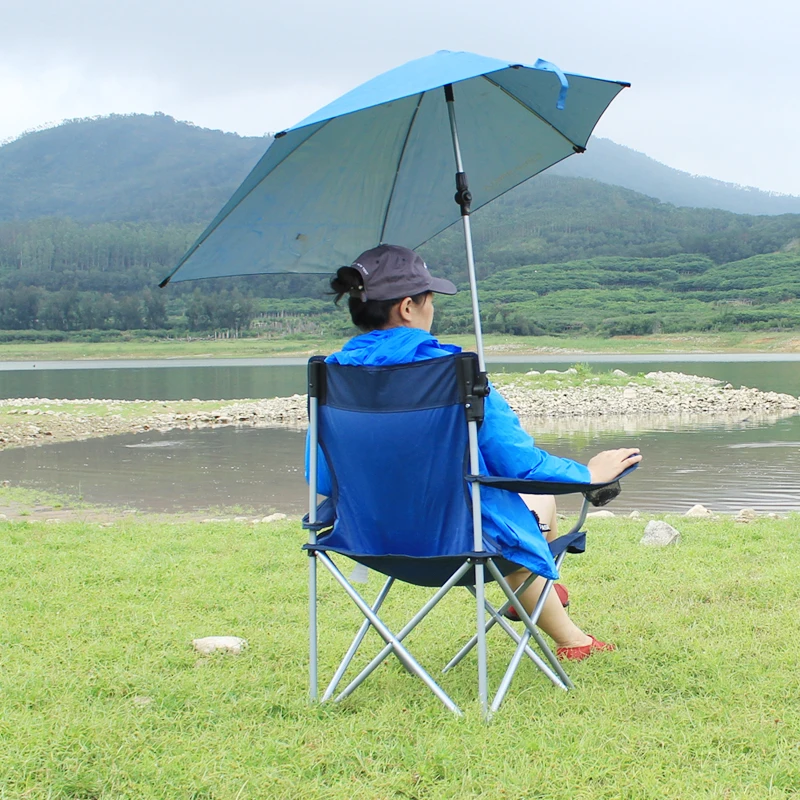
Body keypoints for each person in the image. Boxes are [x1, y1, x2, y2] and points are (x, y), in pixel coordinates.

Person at [309, 244, 642, 661]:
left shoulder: (333, 376)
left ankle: (541, 598)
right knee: (536, 503)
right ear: (408, 307)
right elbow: (521, 467)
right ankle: (566, 632)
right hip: (462, 546)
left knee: (525, 509)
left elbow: (320, 478)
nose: (433, 309)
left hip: (367, 542)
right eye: (430, 299)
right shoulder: (450, 373)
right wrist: (589, 474)